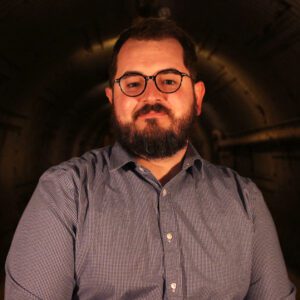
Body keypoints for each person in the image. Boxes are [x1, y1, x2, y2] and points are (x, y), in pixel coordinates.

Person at [5, 18, 296, 300]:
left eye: (169, 80)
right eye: (132, 84)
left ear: (197, 96)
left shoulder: (245, 200)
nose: (151, 95)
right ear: (112, 98)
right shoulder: (65, 192)